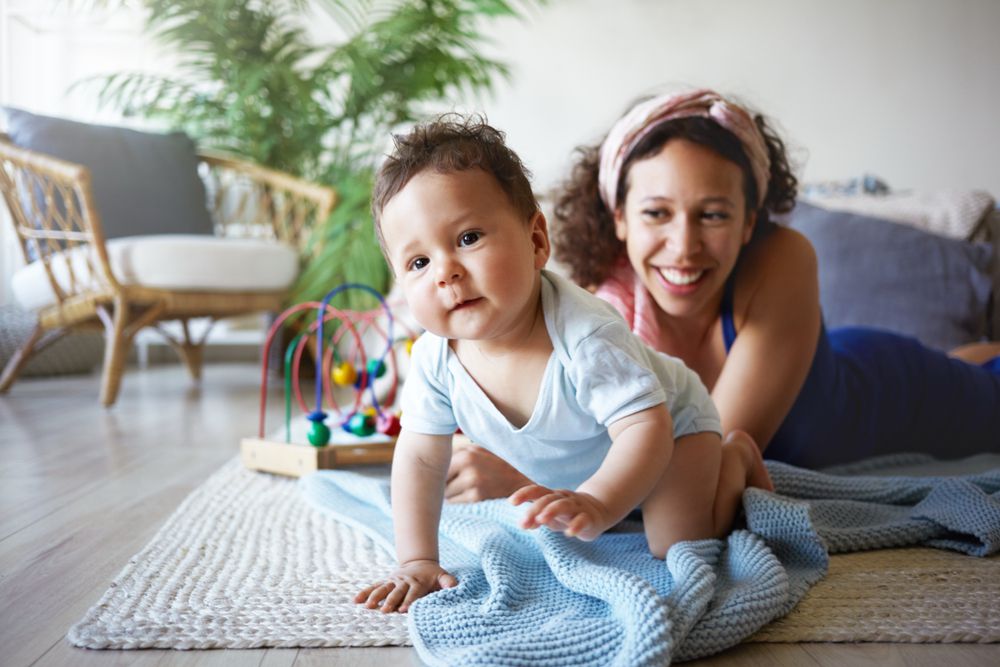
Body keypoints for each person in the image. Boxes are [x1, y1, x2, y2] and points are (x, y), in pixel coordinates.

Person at [443, 88, 1000, 500]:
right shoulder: (595, 316)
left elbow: (701, 463)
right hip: (835, 359)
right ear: (619, 218)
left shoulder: (784, 259)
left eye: (712, 214)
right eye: (656, 213)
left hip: (890, 391)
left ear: (749, 220)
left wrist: (529, 480)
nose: (683, 247)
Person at [354, 114, 773, 614]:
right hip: (594, 455)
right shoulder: (433, 357)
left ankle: (733, 459)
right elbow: (421, 457)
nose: (446, 272)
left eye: (468, 238)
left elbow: (647, 429)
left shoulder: (585, 334)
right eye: (418, 262)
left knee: (675, 542)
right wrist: (418, 558)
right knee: (611, 512)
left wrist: (598, 502)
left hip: (673, 427)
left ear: (536, 241)